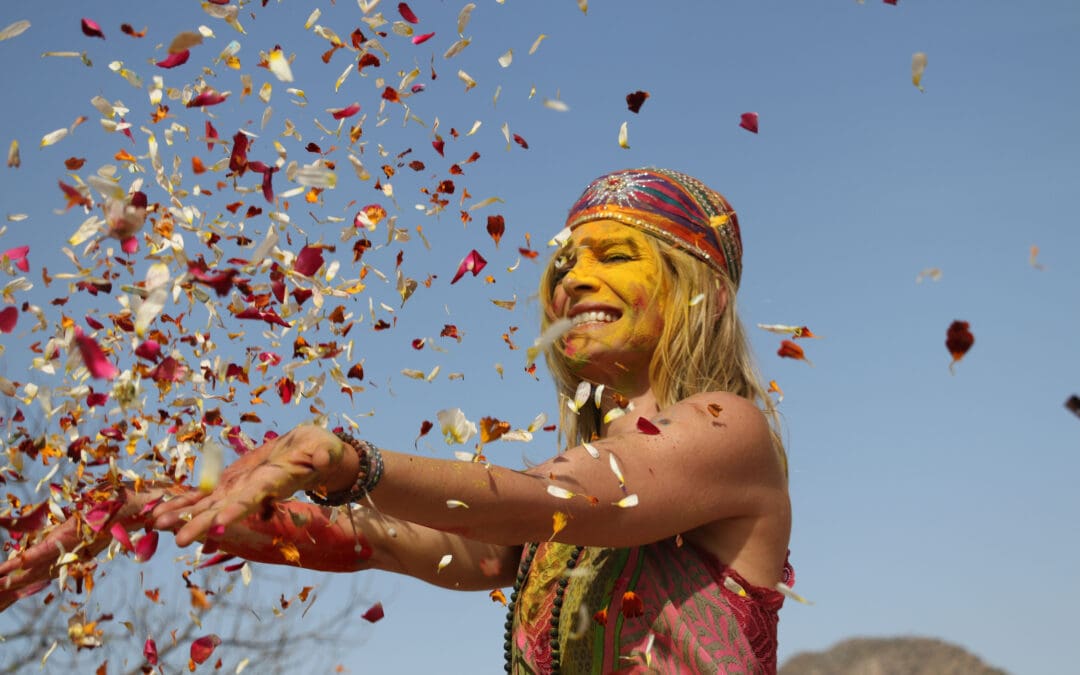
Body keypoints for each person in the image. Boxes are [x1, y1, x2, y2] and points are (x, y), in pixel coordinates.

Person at [1, 168, 792, 674]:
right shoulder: (539, 514)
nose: (574, 280)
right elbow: (371, 537)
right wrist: (151, 504)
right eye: (564, 265)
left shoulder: (728, 428)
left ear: (703, 294)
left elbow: (569, 496)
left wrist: (353, 464)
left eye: (614, 257)